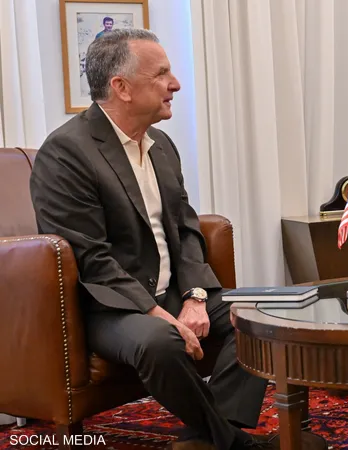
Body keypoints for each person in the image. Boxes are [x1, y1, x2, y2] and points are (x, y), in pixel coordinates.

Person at [30, 29, 270, 450]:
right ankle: (234, 444)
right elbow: (90, 257)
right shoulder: (66, 152)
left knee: (262, 315)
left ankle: (210, 436)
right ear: (121, 87)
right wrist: (156, 313)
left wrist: (195, 297)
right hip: (109, 307)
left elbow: (187, 229)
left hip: (171, 290)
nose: (175, 84)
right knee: (161, 341)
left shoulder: (161, 145)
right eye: (161, 74)